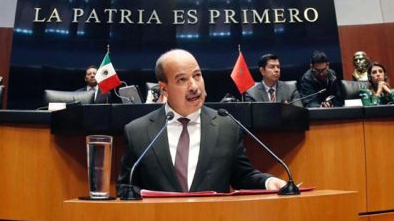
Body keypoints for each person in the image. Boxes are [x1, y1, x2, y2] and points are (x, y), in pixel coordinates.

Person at [117, 49, 287, 194]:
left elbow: (243, 176)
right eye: (182, 80)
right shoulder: (138, 132)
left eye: (197, 76)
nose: (194, 87)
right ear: (164, 88)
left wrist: (268, 182)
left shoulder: (227, 127)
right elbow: (126, 187)